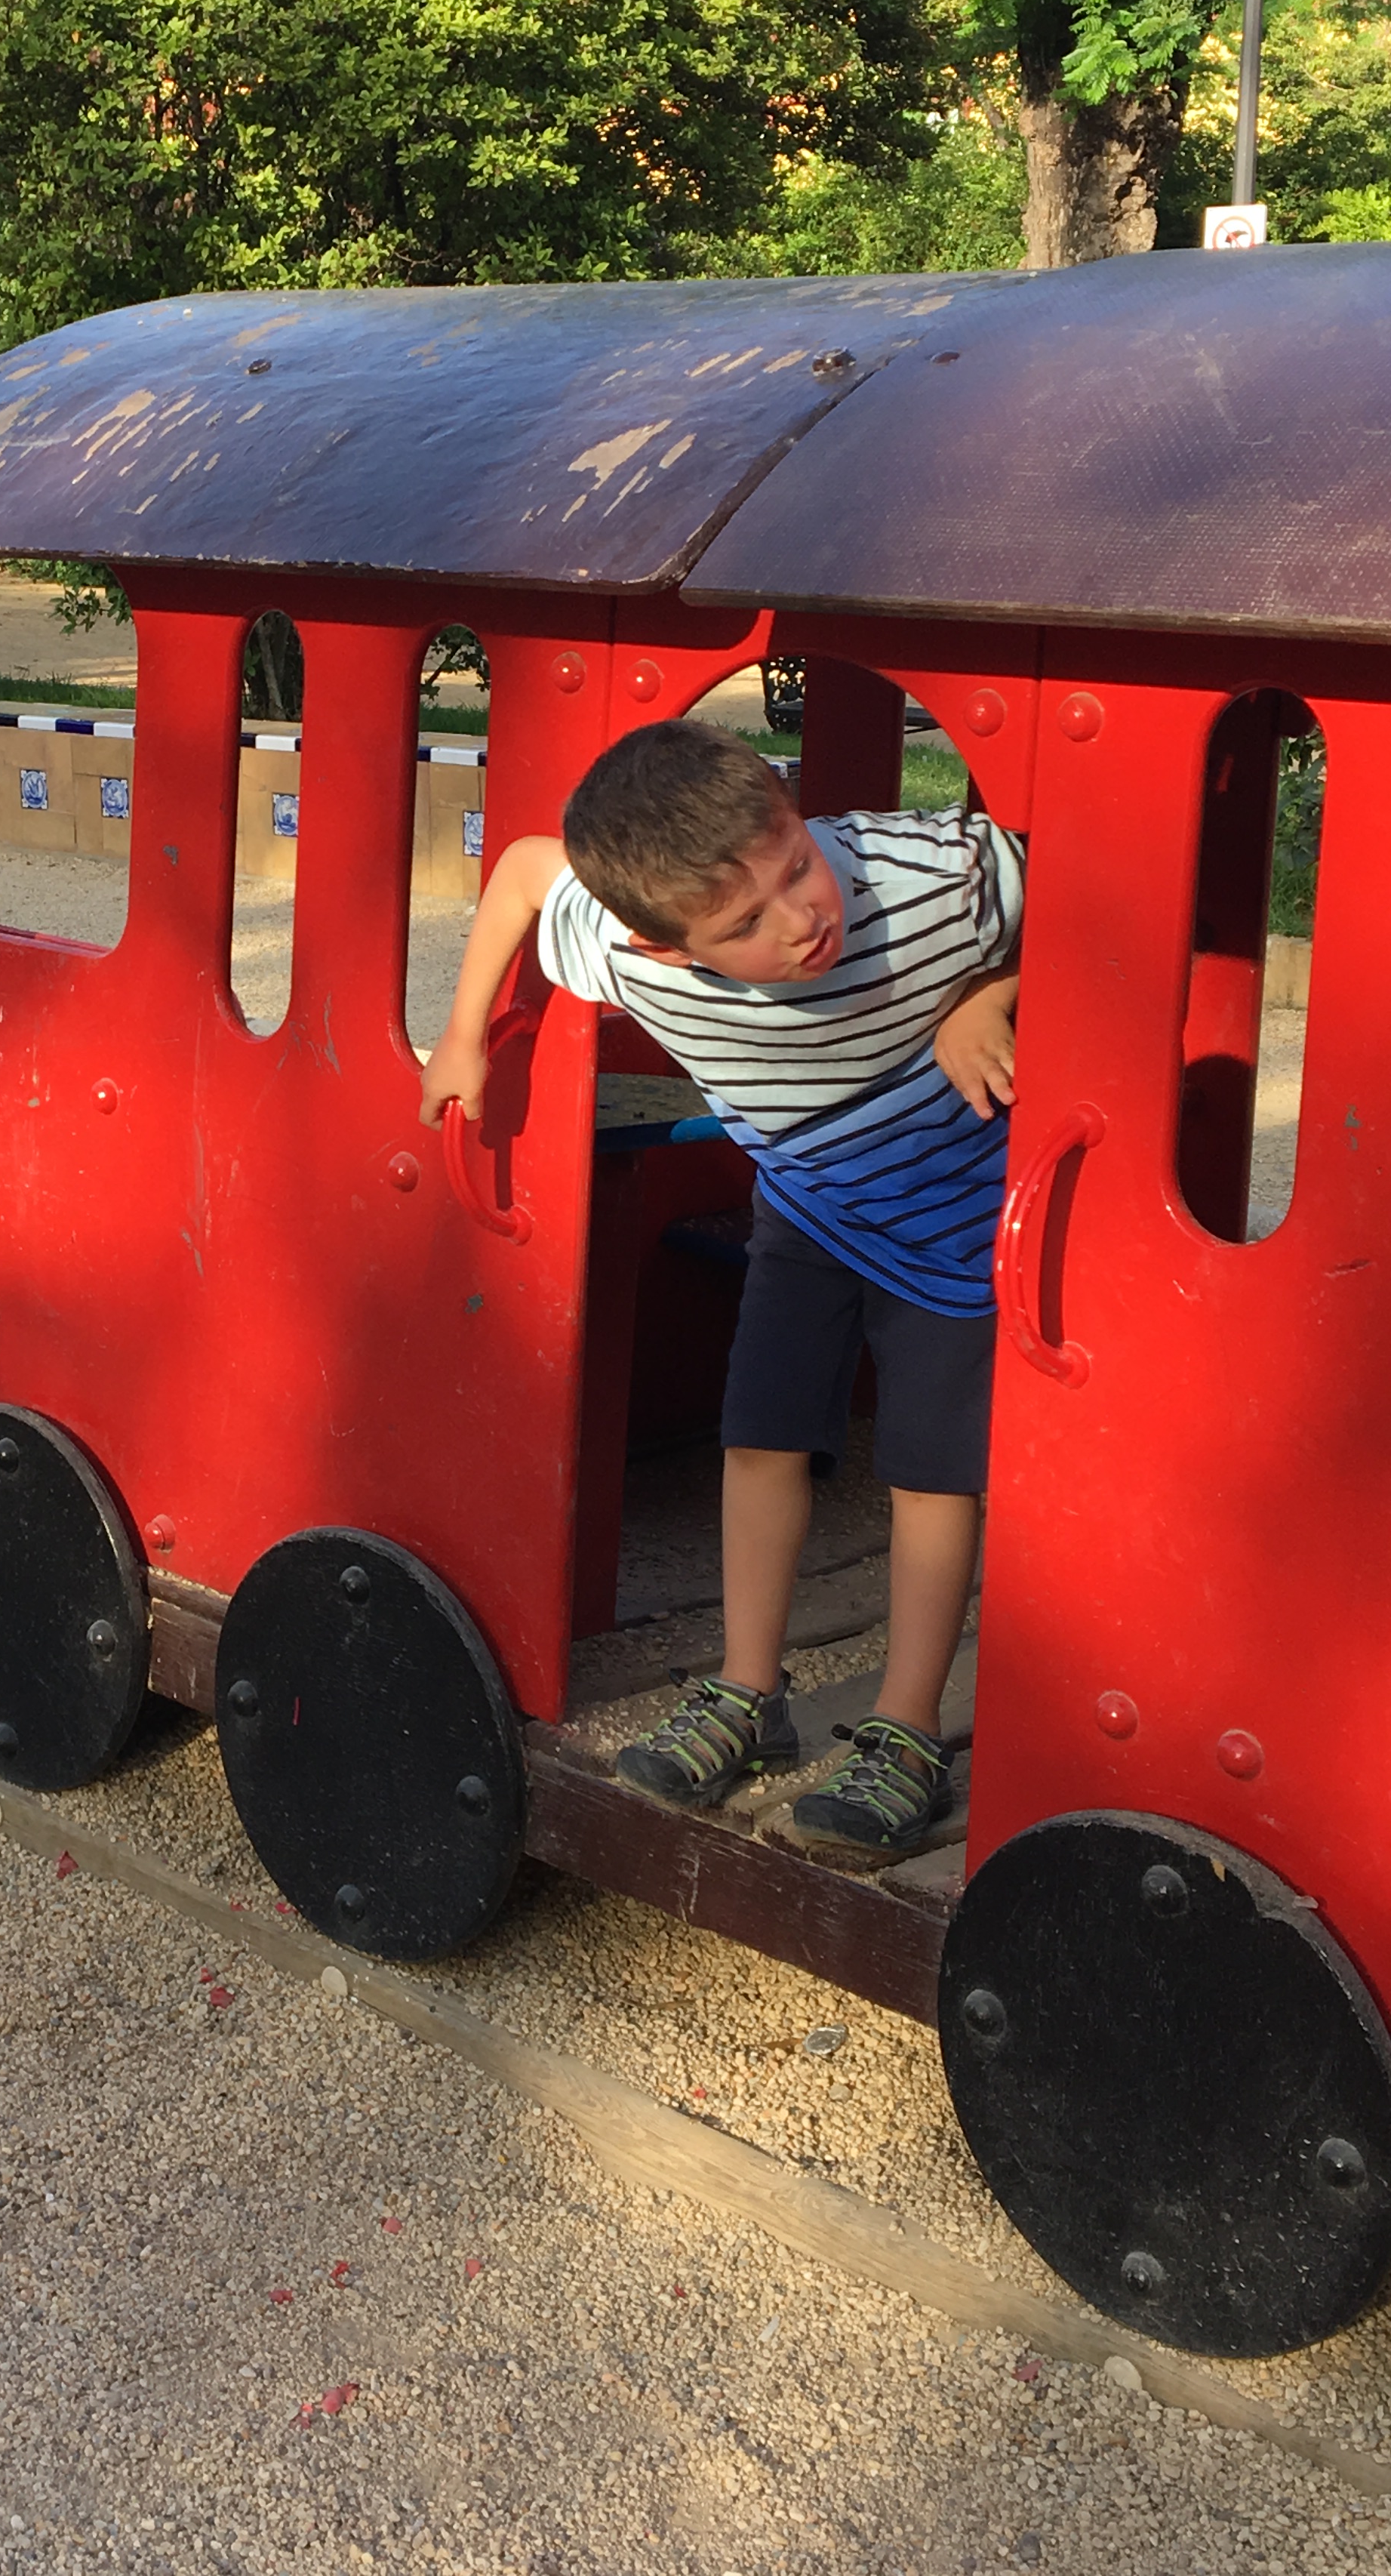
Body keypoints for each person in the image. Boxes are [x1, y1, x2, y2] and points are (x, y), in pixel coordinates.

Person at [419, 719, 1021, 1855]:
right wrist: (463, 1035)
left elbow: (1103, 899)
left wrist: (992, 993)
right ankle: (751, 1693)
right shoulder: (616, 942)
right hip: (806, 1207)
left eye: (796, 865)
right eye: (743, 924)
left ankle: (907, 1727)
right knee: (761, 1437)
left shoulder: (931, 878)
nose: (799, 918)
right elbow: (525, 874)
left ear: (793, 816)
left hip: (950, 1228)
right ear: (663, 952)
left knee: (932, 1475)